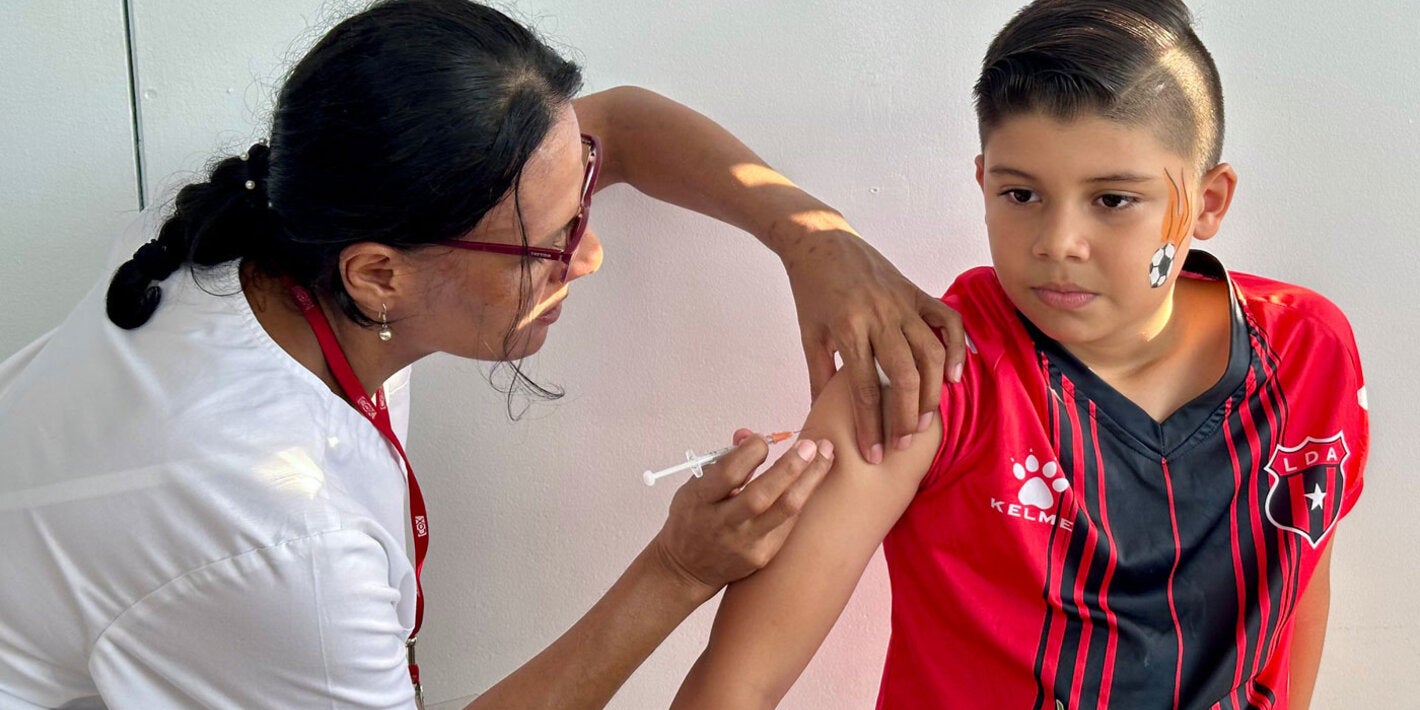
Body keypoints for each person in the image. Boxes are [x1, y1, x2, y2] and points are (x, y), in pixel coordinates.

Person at [0, 1, 970, 708]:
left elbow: (625, 125)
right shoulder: (280, 529)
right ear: (380, 276)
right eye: (550, 244)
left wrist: (810, 237)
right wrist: (675, 570)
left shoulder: (268, 232)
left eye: (580, 191)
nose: (589, 253)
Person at [672, 1, 1369, 708]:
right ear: (982, 183)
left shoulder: (1308, 351)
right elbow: (735, 688)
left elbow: (1300, 577)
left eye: (1112, 200)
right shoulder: (927, 374)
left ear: (1208, 202)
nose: (1057, 242)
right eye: (1021, 193)